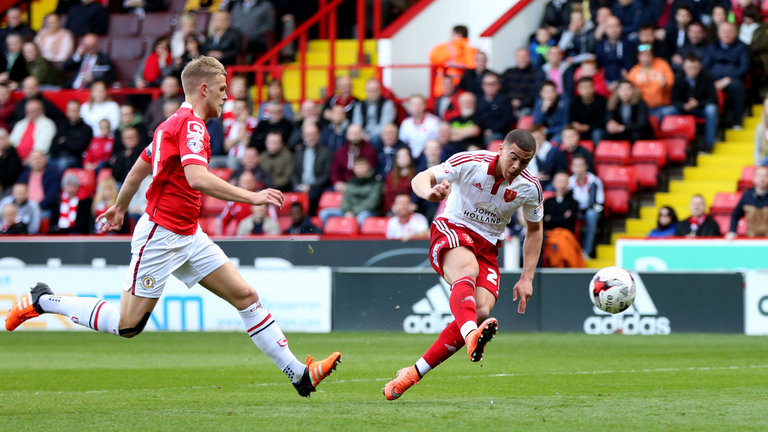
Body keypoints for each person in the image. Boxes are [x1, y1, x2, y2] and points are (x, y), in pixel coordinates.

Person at [5, 56, 341, 397]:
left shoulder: (172, 124)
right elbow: (197, 178)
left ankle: (300, 374)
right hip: (161, 234)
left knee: (246, 296)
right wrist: (251, 197)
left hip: (188, 233)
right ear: (204, 89)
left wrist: (120, 206)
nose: (227, 96)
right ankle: (44, 300)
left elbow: (139, 168)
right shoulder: (191, 126)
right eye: (222, 88)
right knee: (128, 325)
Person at [383, 129, 543, 401]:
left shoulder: (530, 187)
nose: (517, 166)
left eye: (525, 162)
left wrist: (527, 277)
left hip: (488, 247)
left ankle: (412, 373)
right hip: (453, 228)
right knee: (467, 271)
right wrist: (429, 193)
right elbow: (421, 177)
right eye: (513, 157)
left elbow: (535, 230)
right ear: (501, 149)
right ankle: (471, 336)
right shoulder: (471, 162)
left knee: (480, 312)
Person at [703, 22, 748, 128]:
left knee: (737, 86)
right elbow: (704, 66)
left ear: (735, 33)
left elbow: (744, 68)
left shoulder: (742, 47)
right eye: (724, 32)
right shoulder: (712, 46)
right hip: (713, 79)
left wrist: (727, 80)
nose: (726, 35)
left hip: (732, 79)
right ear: (718, 34)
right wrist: (711, 80)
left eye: (729, 32)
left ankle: (737, 122)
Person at [671, 54, 719, 152]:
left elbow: (713, 99)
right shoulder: (678, 77)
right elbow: (673, 100)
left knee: (712, 109)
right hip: (684, 109)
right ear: (684, 67)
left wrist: (698, 103)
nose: (692, 71)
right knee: (667, 111)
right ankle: (675, 146)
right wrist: (683, 106)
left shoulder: (707, 76)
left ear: (700, 67)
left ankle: (708, 145)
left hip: (701, 108)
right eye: (689, 68)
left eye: (695, 68)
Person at [319, 156, 382, 226]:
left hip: (366, 212)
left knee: (362, 218)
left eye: (362, 165)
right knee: (324, 213)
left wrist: (353, 212)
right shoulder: (351, 182)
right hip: (349, 212)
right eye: (357, 166)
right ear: (354, 168)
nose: (360, 169)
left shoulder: (376, 183)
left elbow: (372, 203)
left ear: (368, 166)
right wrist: (347, 211)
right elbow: (345, 200)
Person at [627, 44, 677, 121]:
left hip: (662, 106)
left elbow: (672, 84)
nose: (646, 58)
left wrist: (665, 85)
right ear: (638, 57)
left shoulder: (662, 65)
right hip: (643, 109)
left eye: (648, 55)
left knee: (671, 111)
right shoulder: (634, 72)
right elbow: (629, 90)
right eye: (643, 55)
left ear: (652, 56)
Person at [292, 122, 332, 215]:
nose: (310, 137)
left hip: (317, 188)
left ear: (318, 135)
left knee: (311, 197)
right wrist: (297, 185)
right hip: (300, 186)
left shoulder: (326, 152)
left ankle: (309, 220)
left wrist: (310, 187)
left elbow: (326, 176)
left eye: (313, 134)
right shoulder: (299, 151)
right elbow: (294, 173)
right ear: (303, 136)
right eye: (308, 135)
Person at [568, 154, 604, 258]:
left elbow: (600, 202)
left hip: (590, 210)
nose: (578, 168)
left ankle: (586, 251)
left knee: (591, 215)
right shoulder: (569, 182)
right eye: (576, 165)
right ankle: (570, 251)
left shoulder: (594, 181)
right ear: (572, 168)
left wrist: (589, 208)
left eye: (581, 165)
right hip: (575, 210)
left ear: (586, 166)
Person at [428, 25, 477, 96]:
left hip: (444, 87)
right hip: (464, 89)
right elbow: (472, 65)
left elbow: (433, 59)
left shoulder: (446, 47)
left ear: (456, 34)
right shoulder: (471, 49)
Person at [726, 166, 768, 239]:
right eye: (759, 176)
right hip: (751, 239)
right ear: (754, 178)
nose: (762, 179)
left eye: (765, 176)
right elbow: (735, 215)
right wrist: (732, 231)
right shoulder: (747, 196)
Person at [351, 78, 397, 146]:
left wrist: (370, 136)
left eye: (375, 90)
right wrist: (363, 135)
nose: (372, 93)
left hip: (380, 135)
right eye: (370, 90)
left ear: (380, 91)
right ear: (366, 91)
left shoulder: (387, 104)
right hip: (362, 135)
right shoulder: (359, 105)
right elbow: (357, 123)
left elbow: (385, 125)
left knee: (375, 140)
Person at [501, 48, 542, 117]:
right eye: (519, 57)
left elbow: (535, 93)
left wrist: (521, 103)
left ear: (529, 58)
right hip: (507, 105)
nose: (522, 59)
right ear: (516, 58)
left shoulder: (536, 73)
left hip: (527, 107)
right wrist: (510, 102)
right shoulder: (508, 73)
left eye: (524, 56)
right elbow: (502, 91)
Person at [476, 72, 515, 143]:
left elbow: (507, 120)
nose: (490, 87)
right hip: (479, 132)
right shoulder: (477, 100)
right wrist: (481, 130)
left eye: (493, 84)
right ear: (482, 86)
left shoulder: (505, 100)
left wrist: (491, 130)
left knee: (491, 139)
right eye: (487, 84)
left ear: (498, 85)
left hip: (498, 133)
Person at [399, 94, 440, 160]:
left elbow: (438, 141)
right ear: (409, 107)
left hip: (428, 157)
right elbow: (402, 141)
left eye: (419, 104)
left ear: (425, 105)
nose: (416, 107)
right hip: (410, 158)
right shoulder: (405, 123)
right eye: (413, 104)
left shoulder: (433, 121)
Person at [569, 76, 607, 145]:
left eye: (588, 87)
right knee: (569, 133)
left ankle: (597, 151)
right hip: (580, 130)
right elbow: (571, 120)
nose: (586, 90)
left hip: (597, 129)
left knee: (597, 133)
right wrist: (576, 125)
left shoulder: (602, 101)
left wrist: (587, 127)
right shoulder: (574, 102)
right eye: (583, 88)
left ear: (593, 87)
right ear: (578, 89)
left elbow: (603, 120)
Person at [383, 147, 415, 215]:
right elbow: (388, 195)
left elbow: (416, 194)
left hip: (411, 208)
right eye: (400, 156)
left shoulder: (416, 174)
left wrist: (413, 204)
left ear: (410, 158)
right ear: (396, 159)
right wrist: (393, 206)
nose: (403, 158)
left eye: (405, 156)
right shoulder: (390, 176)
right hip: (394, 209)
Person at [0, 128, 23, 193]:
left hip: (8, 186)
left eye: (3, 139)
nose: (1, 141)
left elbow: (12, 172)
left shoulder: (12, 152)